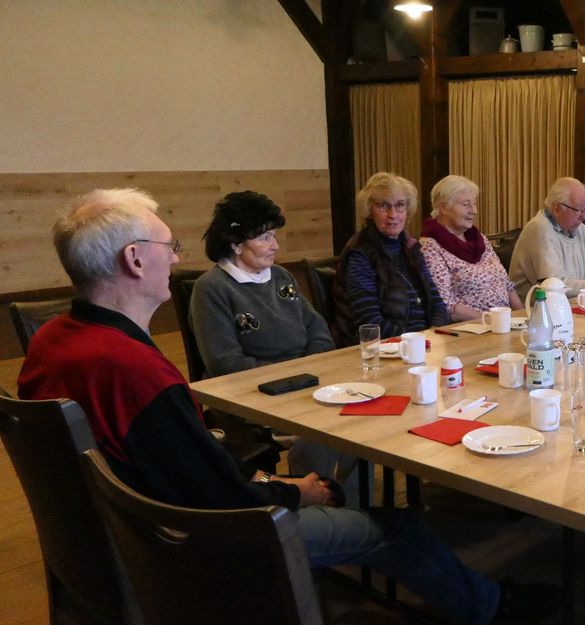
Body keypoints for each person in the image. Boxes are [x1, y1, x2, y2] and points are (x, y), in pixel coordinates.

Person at [18, 188, 506, 625]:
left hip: (121, 533)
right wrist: (293, 492)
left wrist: (271, 480)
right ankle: (490, 607)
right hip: (200, 539)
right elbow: (216, 495)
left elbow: (186, 462)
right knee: (397, 525)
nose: (176, 258)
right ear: (135, 260)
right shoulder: (131, 369)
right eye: (169, 246)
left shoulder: (55, 340)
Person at [189, 190, 357, 499]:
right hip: (251, 394)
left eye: (274, 236)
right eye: (265, 237)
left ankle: (353, 505)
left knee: (358, 416)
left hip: (303, 383)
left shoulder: (280, 276)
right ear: (236, 243)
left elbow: (317, 329)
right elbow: (226, 363)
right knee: (325, 429)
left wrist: (308, 370)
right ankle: (312, 502)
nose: (275, 246)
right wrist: (296, 376)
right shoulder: (211, 288)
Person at [332, 172, 448, 346]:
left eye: (400, 205)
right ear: (370, 210)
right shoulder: (359, 253)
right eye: (383, 206)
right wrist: (417, 340)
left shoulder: (411, 247)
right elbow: (370, 322)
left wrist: (434, 332)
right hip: (383, 349)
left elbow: (437, 302)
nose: (393, 214)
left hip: (422, 343)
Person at [419, 175, 523, 321]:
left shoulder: (479, 239)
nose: (474, 211)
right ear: (443, 207)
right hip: (469, 327)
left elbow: (506, 285)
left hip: (503, 323)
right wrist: (492, 321)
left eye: (474, 204)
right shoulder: (430, 247)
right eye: (466, 204)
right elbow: (447, 305)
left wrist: (523, 317)